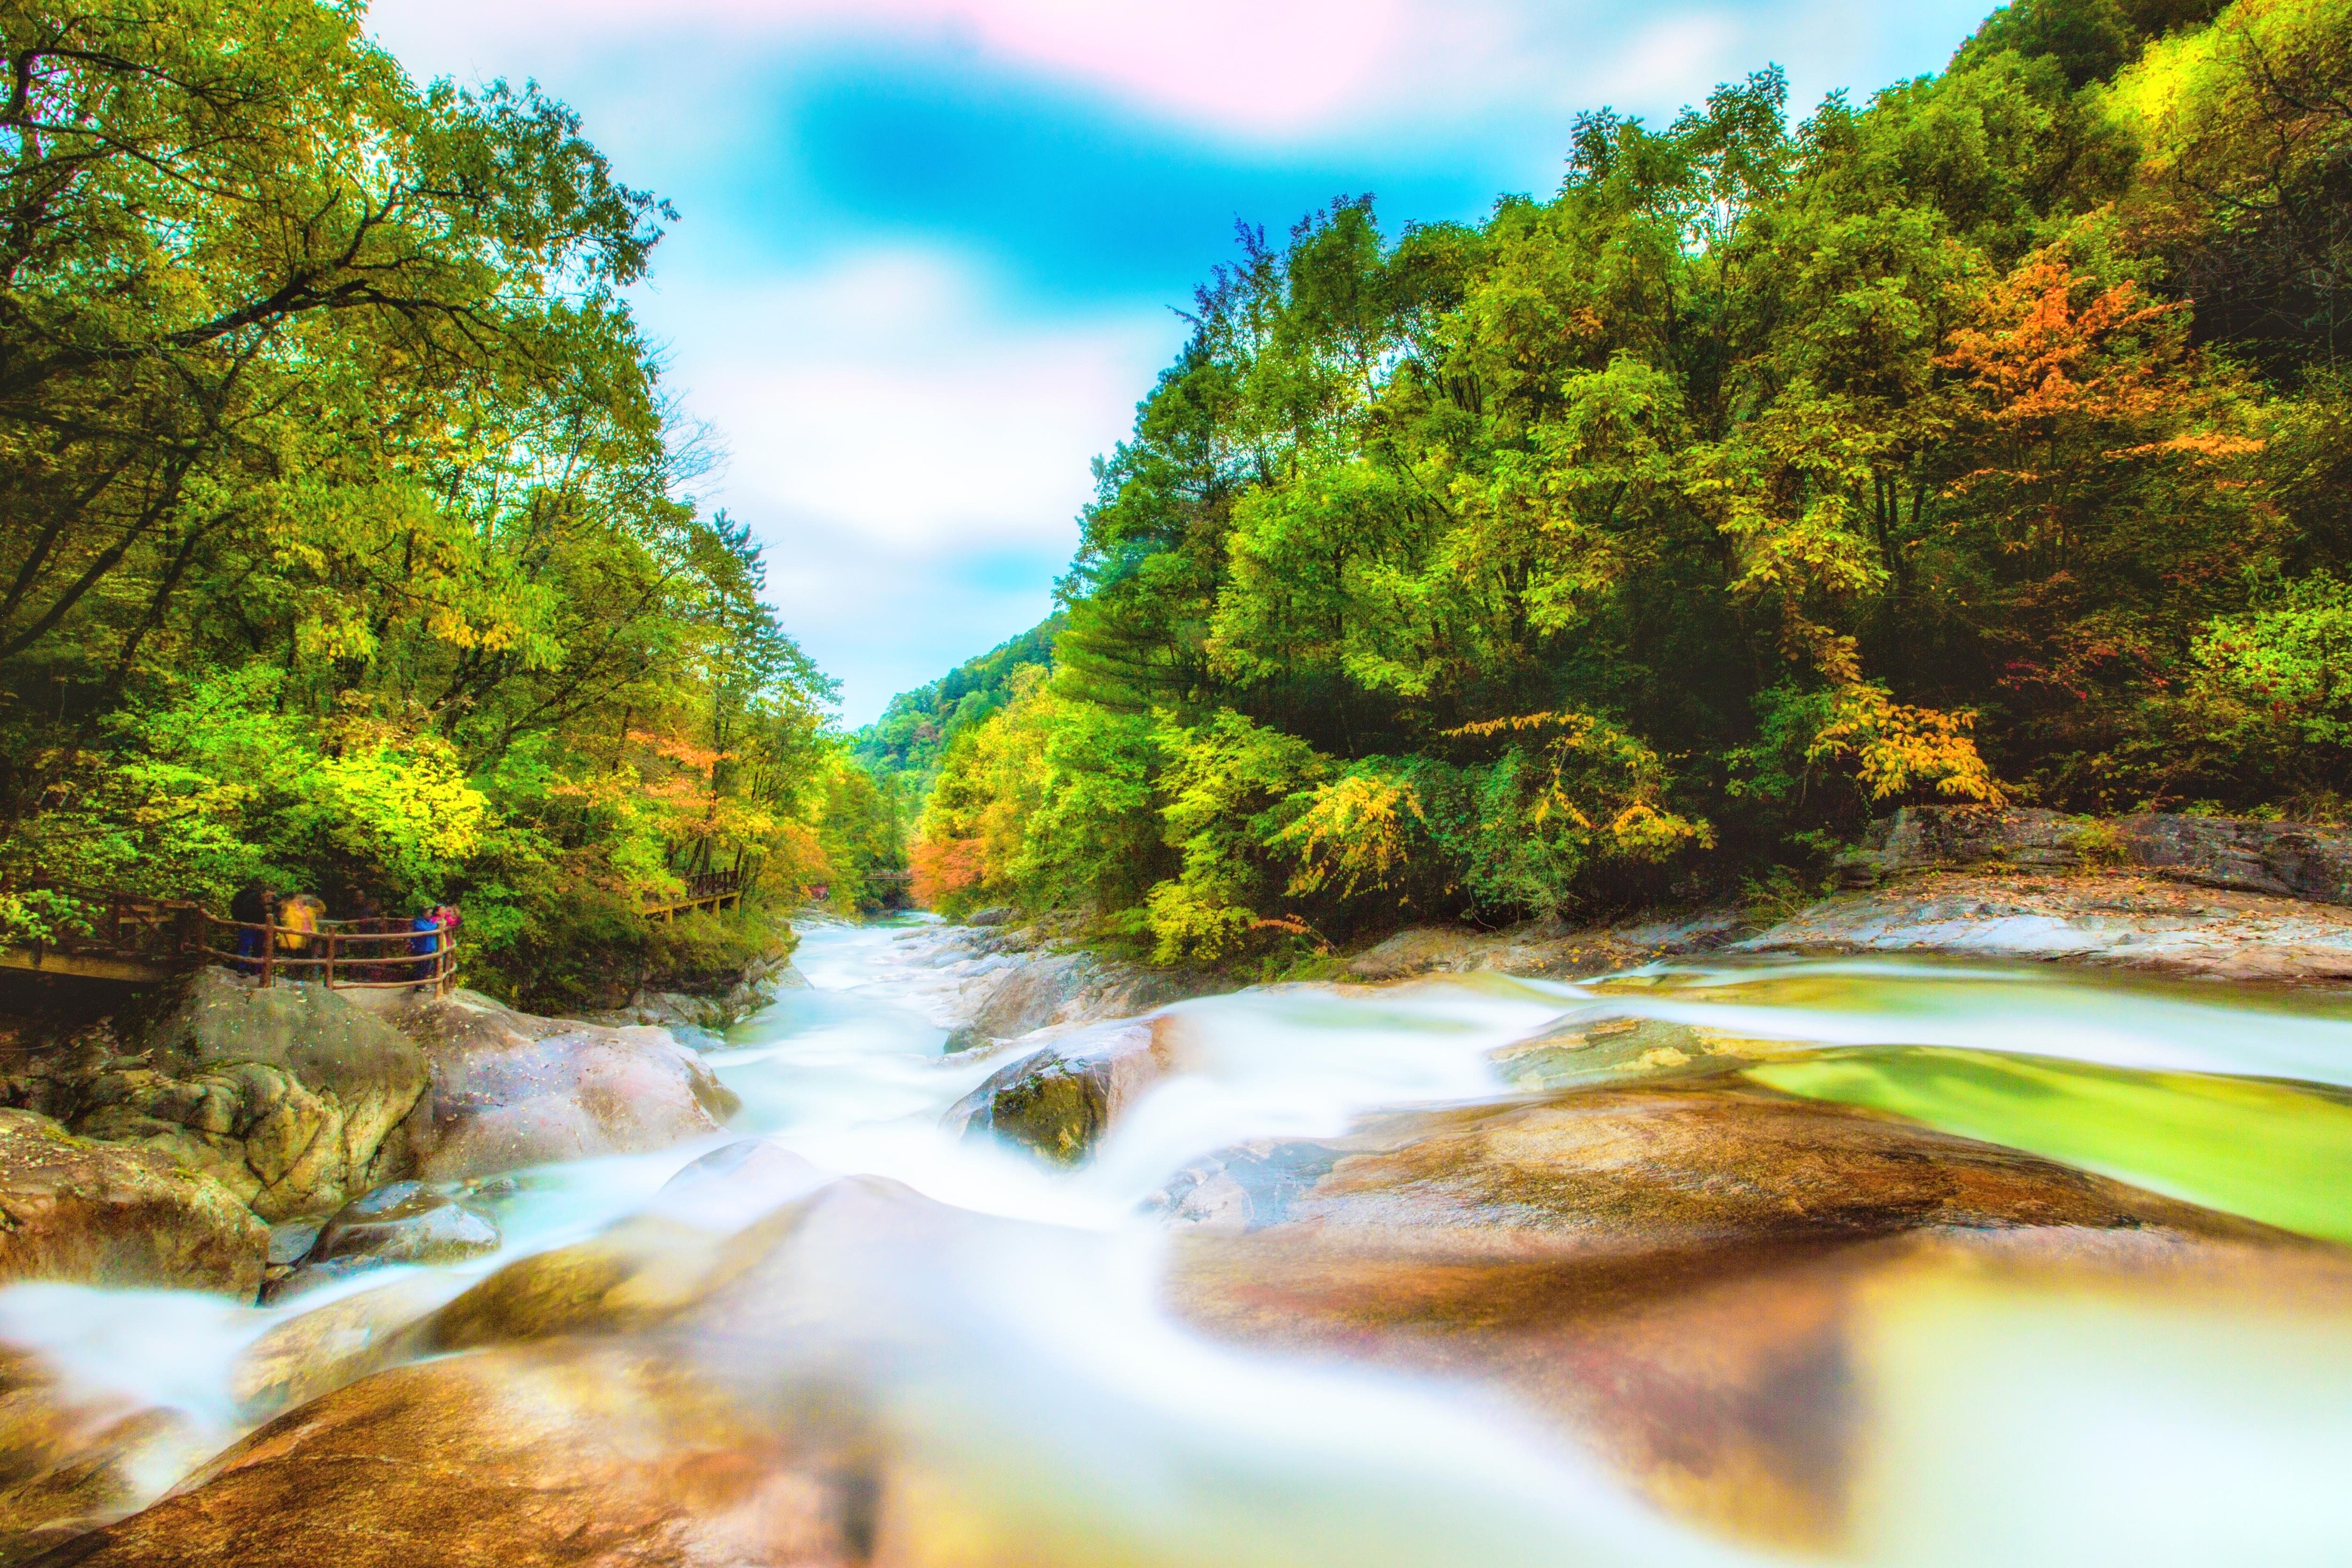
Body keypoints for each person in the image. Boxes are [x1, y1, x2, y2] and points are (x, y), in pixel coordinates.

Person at [229, 880, 272, 975]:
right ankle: (242, 969)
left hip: (261, 928)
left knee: (259, 948)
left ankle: (256, 970)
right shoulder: (251, 899)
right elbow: (249, 912)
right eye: (268, 896)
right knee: (245, 947)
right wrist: (263, 908)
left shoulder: (268, 902)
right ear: (262, 894)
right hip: (249, 926)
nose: (270, 898)